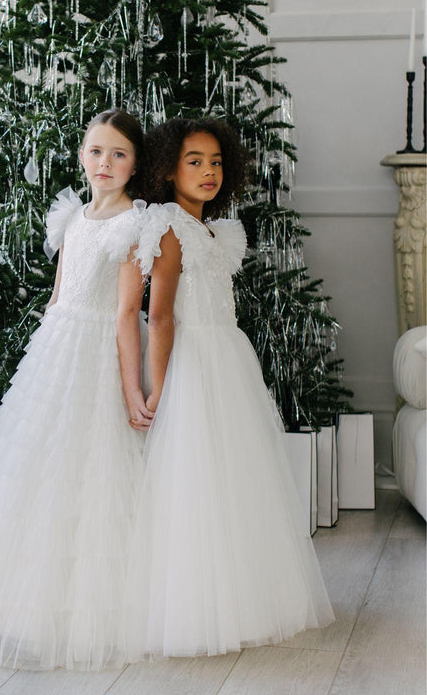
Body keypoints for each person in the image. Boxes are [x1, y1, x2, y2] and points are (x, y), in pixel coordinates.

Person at [0, 109, 154, 671]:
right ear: (81, 156)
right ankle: (14, 605)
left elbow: (125, 316)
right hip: (59, 347)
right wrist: (44, 353)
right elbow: (57, 293)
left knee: (95, 469)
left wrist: (129, 390)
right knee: (37, 463)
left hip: (101, 354)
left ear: (136, 163)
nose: (105, 163)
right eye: (96, 151)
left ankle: (98, 610)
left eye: (119, 154)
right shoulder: (73, 215)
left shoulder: (133, 225)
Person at [124, 116, 335, 661]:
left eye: (216, 162)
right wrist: (161, 386)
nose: (208, 171)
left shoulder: (217, 230)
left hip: (226, 358)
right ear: (169, 169)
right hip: (192, 363)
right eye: (194, 161)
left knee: (231, 479)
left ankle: (238, 599)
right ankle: (193, 606)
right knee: (192, 482)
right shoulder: (169, 227)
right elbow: (161, 315)